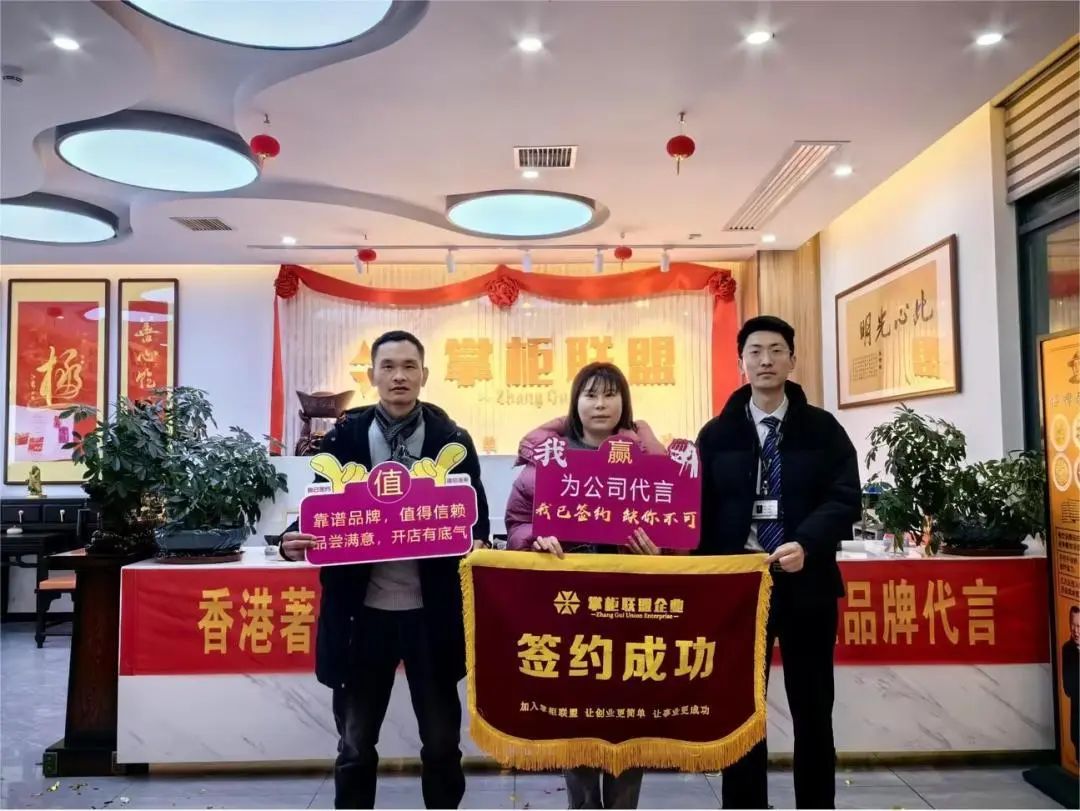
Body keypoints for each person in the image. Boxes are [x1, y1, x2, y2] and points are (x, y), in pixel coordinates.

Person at [279, 330, 490, 810]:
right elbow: (320, 507)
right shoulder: (343, 438)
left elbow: (476, 516)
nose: (399, 376)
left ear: (424, 375)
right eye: (389, 366)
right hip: (361, 616)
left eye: (409, 366)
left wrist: (477, 539)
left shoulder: (452, 440)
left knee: (441, 742)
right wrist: (292, 540)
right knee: (355, 744)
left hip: (430, 615)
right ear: (372, 375)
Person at [695, 315, 860, 810]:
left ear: (792, 359)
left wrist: (806, 542)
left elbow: (845, 498)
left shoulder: (823, 430)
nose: (765, 361)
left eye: (776, 351)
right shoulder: (716, 435)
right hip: (740, 589)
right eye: (755, 352)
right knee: (742, 711)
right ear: (741, 362)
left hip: (806, 583)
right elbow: (696, 511)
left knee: (813, 709)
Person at [504, 361, 666, 809]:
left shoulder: (651, 463)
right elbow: (516, 524)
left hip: (631, 615)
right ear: (575, 403)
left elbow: (678, 533)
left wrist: (661, 550)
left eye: (610, 394)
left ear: (624, 402)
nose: (600, 404)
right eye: (590, 394)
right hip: (568, 614)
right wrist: (535, 538)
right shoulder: (546, 462)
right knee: (575, 719)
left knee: (629, 720)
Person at [1063, 605, 1080, 764]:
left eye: (1079, 626)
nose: (1075, 630)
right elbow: (1067, 687)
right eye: (1073, 625)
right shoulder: (1067, 649)